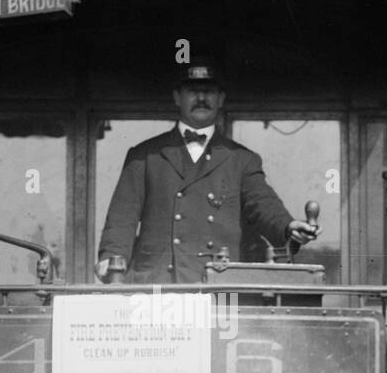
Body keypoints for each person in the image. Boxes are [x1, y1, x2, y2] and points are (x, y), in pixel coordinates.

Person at [96, 58, 320, 284]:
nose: (201, 98)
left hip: (218, 285)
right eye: (193, 91)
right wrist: (110, 257)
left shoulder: (242, 159)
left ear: (220, 99)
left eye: (209, 91)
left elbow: (263, 204)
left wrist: (288, 225)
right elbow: (121, 219)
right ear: (177, 97)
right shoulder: (144, 156)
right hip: (157, 285)